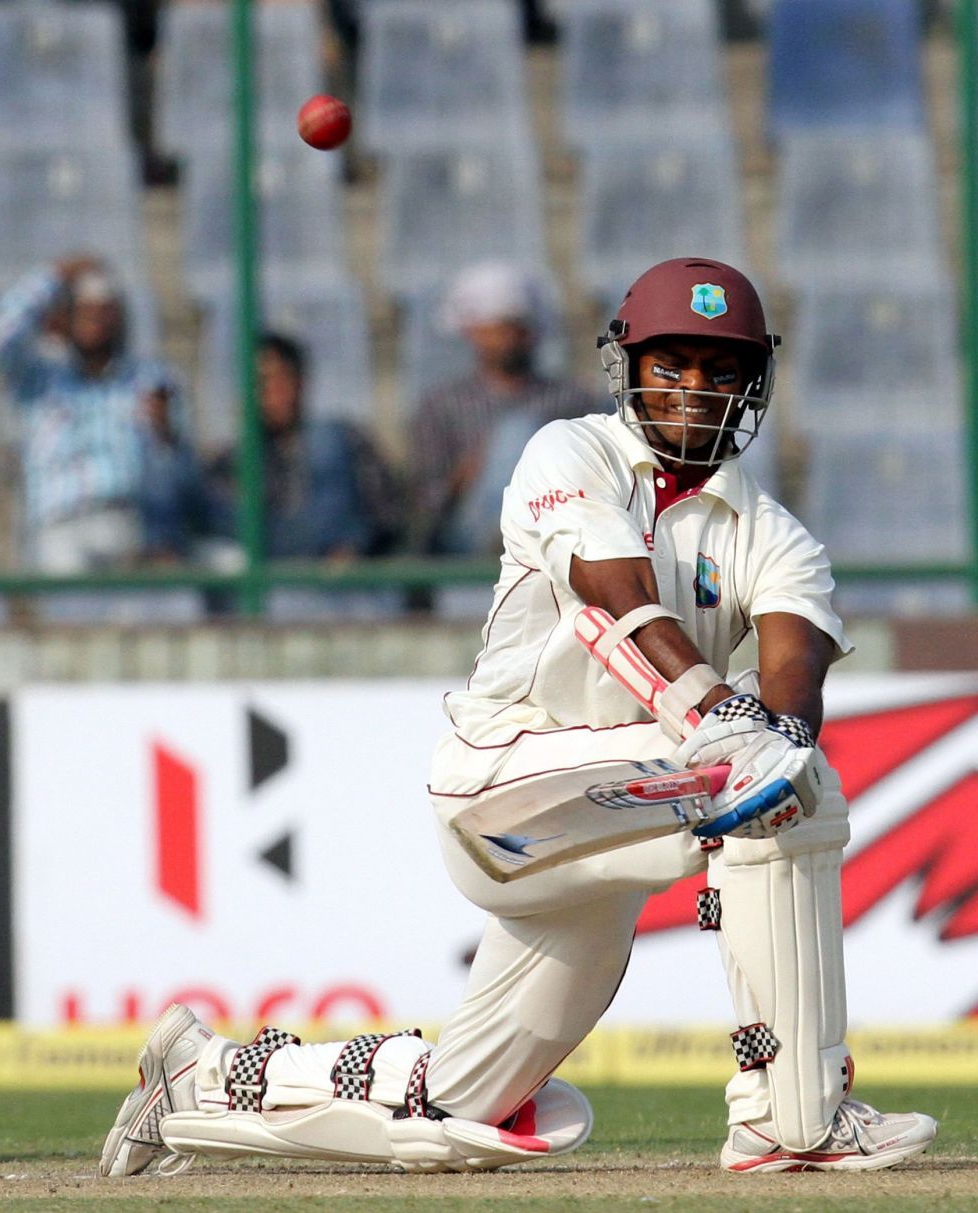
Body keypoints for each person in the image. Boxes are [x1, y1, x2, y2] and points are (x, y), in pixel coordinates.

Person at [100, 258, 937, 1177]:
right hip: (503, 785)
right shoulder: (567, 451)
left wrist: (773, 749)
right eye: (674, 364)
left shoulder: (773, 534)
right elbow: (608, 593)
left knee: (456, 1109)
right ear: (628, 367)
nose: (696, 389)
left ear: (754, 384)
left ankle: (197, 1078)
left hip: (611, 838)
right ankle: (792, 1114)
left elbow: (793, 670)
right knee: (768, 771)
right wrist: (725, 729)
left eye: (720, 368)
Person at [0, 255, 192, 571]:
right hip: (59, 523)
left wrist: (165, 436)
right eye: (85, 309)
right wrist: (56, 275)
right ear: (66, 317)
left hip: (128, 523)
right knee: (64, 574)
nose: (96, 320)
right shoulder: (39, 377)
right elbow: (0, 334)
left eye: (105, 309)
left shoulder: (151, 381)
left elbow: (182, 476)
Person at [408, 261, 601, 555]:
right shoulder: (442, 407)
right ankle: (506, 537)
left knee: (525, 437)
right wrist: (468, 474)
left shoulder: (572, 400)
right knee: (517, 435)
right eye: (499, 329)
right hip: (467, 537)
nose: (510, 339)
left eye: (518, 328)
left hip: (557, 519)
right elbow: (423, 504)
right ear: (473, 333)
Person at [203, 333, 397, 562]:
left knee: (326, 438)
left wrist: (359, 546)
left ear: (300, 382)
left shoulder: (344, 440)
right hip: (281, 573)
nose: (270, 392)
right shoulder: (233, 460)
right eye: (258, 383)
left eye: (280, 379)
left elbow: (389, 514)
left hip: (346, 574)